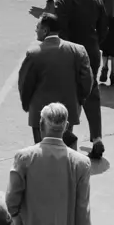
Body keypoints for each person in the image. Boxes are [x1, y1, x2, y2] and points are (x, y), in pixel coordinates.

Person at [5, 102, 91, 225]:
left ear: (41, 125)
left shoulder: (24, 158)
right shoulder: (82, 164)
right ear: (66, 126)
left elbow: (11, 203)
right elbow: (83, 212)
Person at [55, 0, 108, 160]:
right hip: (92, 51)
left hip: (71, 52)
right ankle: (97, 138)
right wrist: (95, 43)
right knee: (92, 92)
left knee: (69, 94)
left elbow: (61, 31)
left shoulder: (62, 2)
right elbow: (104, 27)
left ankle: (66, 134)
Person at [18, 13, 92, 144]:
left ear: (45, 30)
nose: (36, 30)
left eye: (38, 27)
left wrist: (27, 105)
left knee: (42, 153)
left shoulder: (34, 54)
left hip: (40, 114)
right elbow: (87, 81)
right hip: (67, 112)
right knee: (64, 151)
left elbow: (25, 84)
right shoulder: (78, 50)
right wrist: (78, 100)